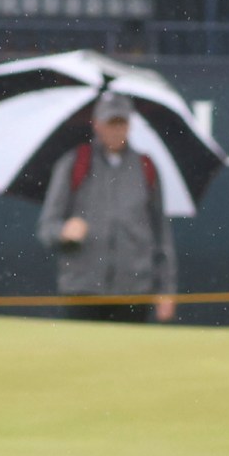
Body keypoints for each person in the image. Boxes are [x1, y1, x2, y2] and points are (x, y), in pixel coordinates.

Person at [36, 92, 177, 324]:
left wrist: (166, 289)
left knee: (130, 360)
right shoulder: (74, 163)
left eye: (121, 123)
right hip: (82, 290)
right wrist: (63, 231)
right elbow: (47, 227)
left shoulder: (146, 167)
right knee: (81, 359)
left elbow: (161, 234)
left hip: (134, 291)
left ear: (130, 125)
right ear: (97, 125)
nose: (116, 130)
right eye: (111, 123)